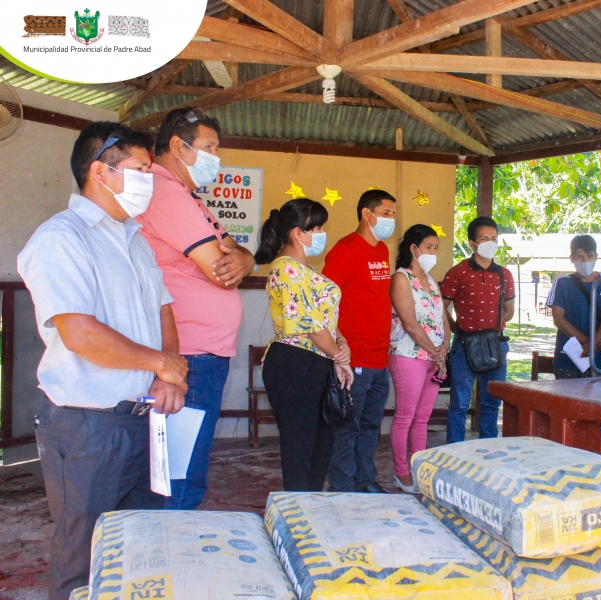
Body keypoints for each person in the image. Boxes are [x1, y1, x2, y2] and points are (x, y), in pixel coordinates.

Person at [17, 122, 188, 600]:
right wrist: (163, 362)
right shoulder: (60, 239)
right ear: (100, 171)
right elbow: (81, 334)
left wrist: (169, 374)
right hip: (88, 424)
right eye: (140, 170)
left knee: (136, 548)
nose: (148, 181)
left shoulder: (133, 238)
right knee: (85, 556)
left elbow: (163, 309)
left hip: (143, 418)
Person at [136, 107, 255, 510]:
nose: (215, 157)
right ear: (177, 146)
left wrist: (248, 260)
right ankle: (170, 558)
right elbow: (221, 269)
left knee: (186, 466)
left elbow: (237, 255)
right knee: (179, 474)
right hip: (187, 352)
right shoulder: (164, 190)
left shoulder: (190, 197)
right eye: (209, 147)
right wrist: (238, 261)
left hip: (201, 351)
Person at [255, 199, 352, 491]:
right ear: (299, 233)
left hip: (318, 360)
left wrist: (340, 342)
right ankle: (297, 512)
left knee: (321, 445)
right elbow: (308, 325)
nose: (322, 233)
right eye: (317, 227)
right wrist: (340, 357)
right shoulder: (285, 268)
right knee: (300, 447)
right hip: (295, 363)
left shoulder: (305, 268)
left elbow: (324, 318)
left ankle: (310, 506)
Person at [323, 189, 396, 493]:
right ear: (367, 214)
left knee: (370, 427)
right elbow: (325, 301)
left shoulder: (382, 251)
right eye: (387, 213)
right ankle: (342, 486)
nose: (392, 219)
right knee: (347, 428)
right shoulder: (345, 249)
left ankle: (364, 480)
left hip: (380, 357)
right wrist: (338, 346)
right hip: (353, 360)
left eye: (393, 213)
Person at [441, 216, 515, 444]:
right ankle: (455, 451)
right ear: (472, 243)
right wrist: (454, 328)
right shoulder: (458, 272)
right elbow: (441, 306)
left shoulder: (505, 274)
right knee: (459, 403)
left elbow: (509, 310)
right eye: (485, 238)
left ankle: (488, 449)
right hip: (465, 345)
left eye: (494, 238)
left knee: (492, 402)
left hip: (496, 345)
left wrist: (493, 327)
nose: (490, 242)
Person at [389, 225, 451, 493]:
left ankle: (419, 466)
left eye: (436, 248)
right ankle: (401, 472)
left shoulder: (431, 279)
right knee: (405, 417)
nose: (433, 252)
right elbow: (410, 324)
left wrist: (445, 346)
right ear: (413, 248)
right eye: (428, 247)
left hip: (434, 359)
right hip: (409, 356)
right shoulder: (401, 278)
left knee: (423, 418)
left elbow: (443, 318)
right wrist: (435, 352)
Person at [547, 235, 601, 379]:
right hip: (567, 359)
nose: (585, 261)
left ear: (596, 256)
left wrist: (592, 343)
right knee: (566, 401)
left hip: (597, 359)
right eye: (580, 257)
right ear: (572, 258)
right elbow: (558, 319)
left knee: (595, 400)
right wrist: (588, 342)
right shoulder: (562, 283)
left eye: (589, 256)